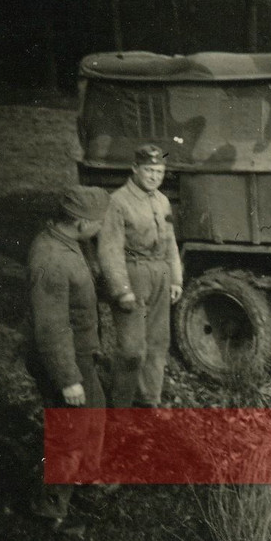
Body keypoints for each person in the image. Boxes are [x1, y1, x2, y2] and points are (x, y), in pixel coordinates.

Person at [26, 185, 111, 525]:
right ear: (79, 222)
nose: (102, 227)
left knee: (95, 414)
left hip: (81, 355)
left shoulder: (70, 243)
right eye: (98, 221)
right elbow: (51, 327)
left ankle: (87, 480)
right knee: (68, 432)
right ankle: (49, 507)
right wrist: (68, 379)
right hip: (64, 360)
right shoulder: (51, 259)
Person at [98, 144, 183, 407]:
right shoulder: (118, 201)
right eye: (149, 170)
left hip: (160, 273)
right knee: (132, 349)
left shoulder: (162, 200)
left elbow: (170, 243)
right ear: (135, 169)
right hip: (133, 274)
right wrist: (121, 289)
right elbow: (109, 249)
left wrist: (176, 279)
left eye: (159, 171)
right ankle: (121, 406)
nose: (155, 176)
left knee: (158, 344)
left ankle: (149, 402)